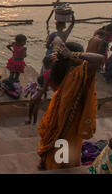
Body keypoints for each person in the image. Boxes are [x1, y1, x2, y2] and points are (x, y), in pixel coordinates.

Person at [37, 38, 103, 171]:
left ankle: (48, 163)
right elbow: (99, 58)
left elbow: (56, 39)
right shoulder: (77, 73)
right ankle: (60, 168)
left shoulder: (68, 69)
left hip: (59, 117)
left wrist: (63, 52)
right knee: (63, 152)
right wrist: (72, 54)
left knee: (56, 146)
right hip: (69, 122)